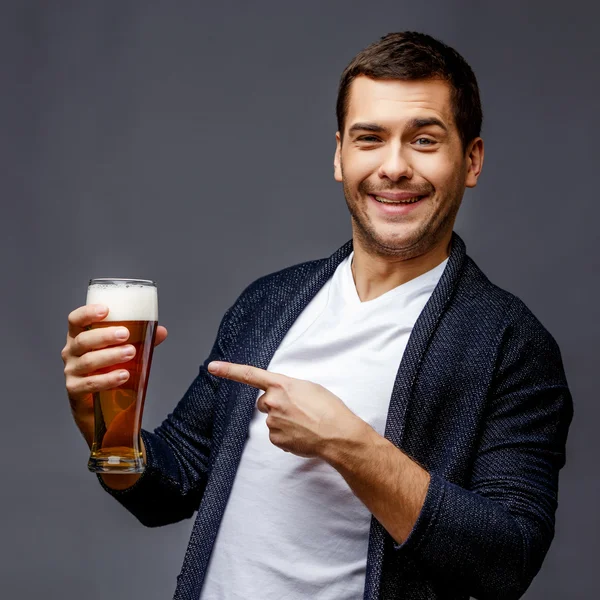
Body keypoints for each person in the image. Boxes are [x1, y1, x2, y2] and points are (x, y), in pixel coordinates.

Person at [61, 31, 573, 600]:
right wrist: (107, 429)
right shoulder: (268, 303)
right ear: (339, 155)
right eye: (370, 138)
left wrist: (350, 445)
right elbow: (174, 483)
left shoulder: (510, 343)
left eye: (424, 140)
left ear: (470, 160)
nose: (394, 166)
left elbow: (507, 561)